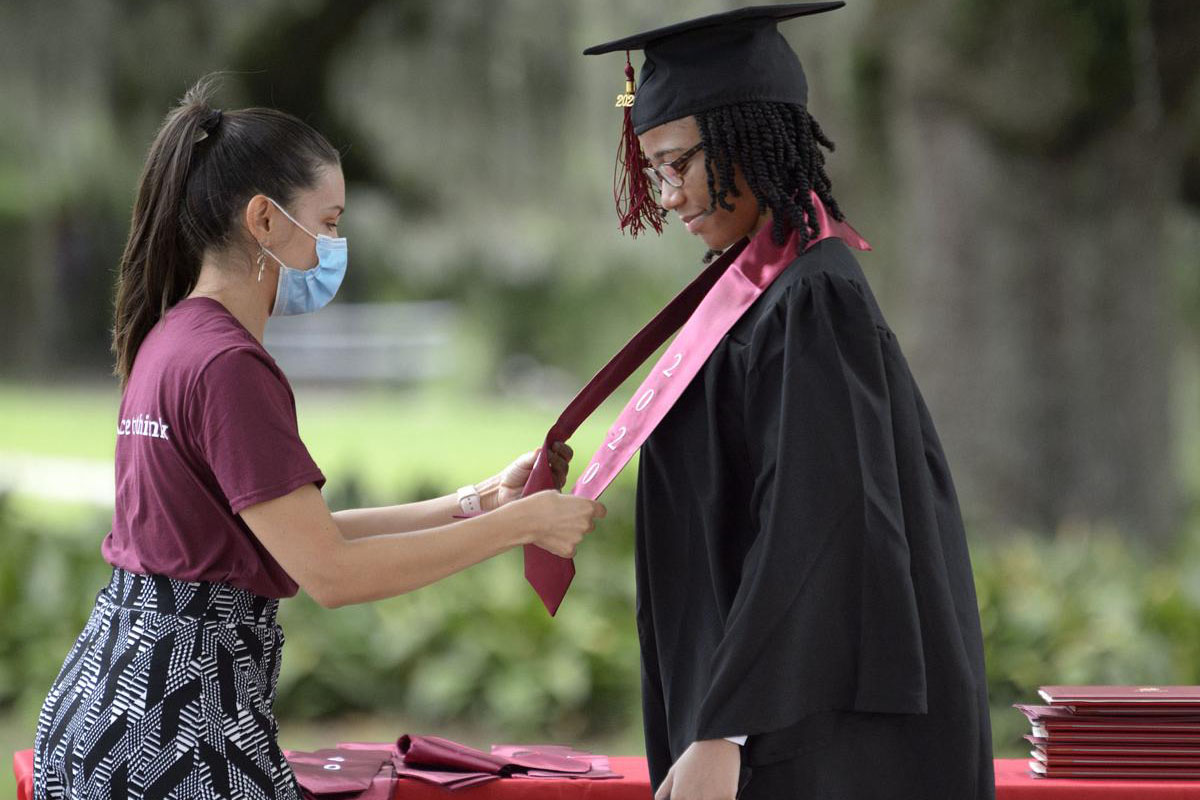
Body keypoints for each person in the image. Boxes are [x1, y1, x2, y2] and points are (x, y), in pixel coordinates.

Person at [32, 78, 605, 800]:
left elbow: (298, 537)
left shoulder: (174, 337)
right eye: (328, 223)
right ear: (263, 220)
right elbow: (332, 574)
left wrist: (483, 501)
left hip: (111, 705)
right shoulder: (229, 366)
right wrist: (522, 526)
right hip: (179, 731)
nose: (335, 247)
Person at [583, 4, 994, 799]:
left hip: (812, 735)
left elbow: (819, 527)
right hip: (769, 717)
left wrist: (728, 728)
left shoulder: (814, 299)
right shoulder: (758, 293)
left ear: (744, 137)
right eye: (654, 172)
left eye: (675, 164)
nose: (667, 196)